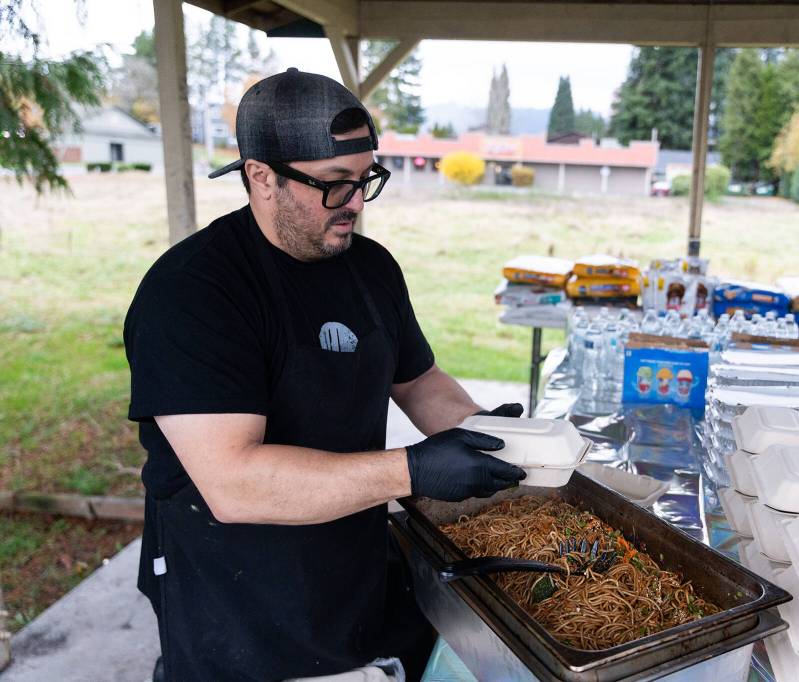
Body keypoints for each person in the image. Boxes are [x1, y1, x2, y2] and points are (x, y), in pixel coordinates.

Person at [123, 68, 528, 682]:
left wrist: (479, 433)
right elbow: (233, 483)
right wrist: (413, 470)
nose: (358, 203)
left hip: (351, 558)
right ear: (260, 176)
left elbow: (419, 382)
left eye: (367, 178)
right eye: (335, 184)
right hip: (240, 601)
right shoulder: (193, 292)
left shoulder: (369, 267)